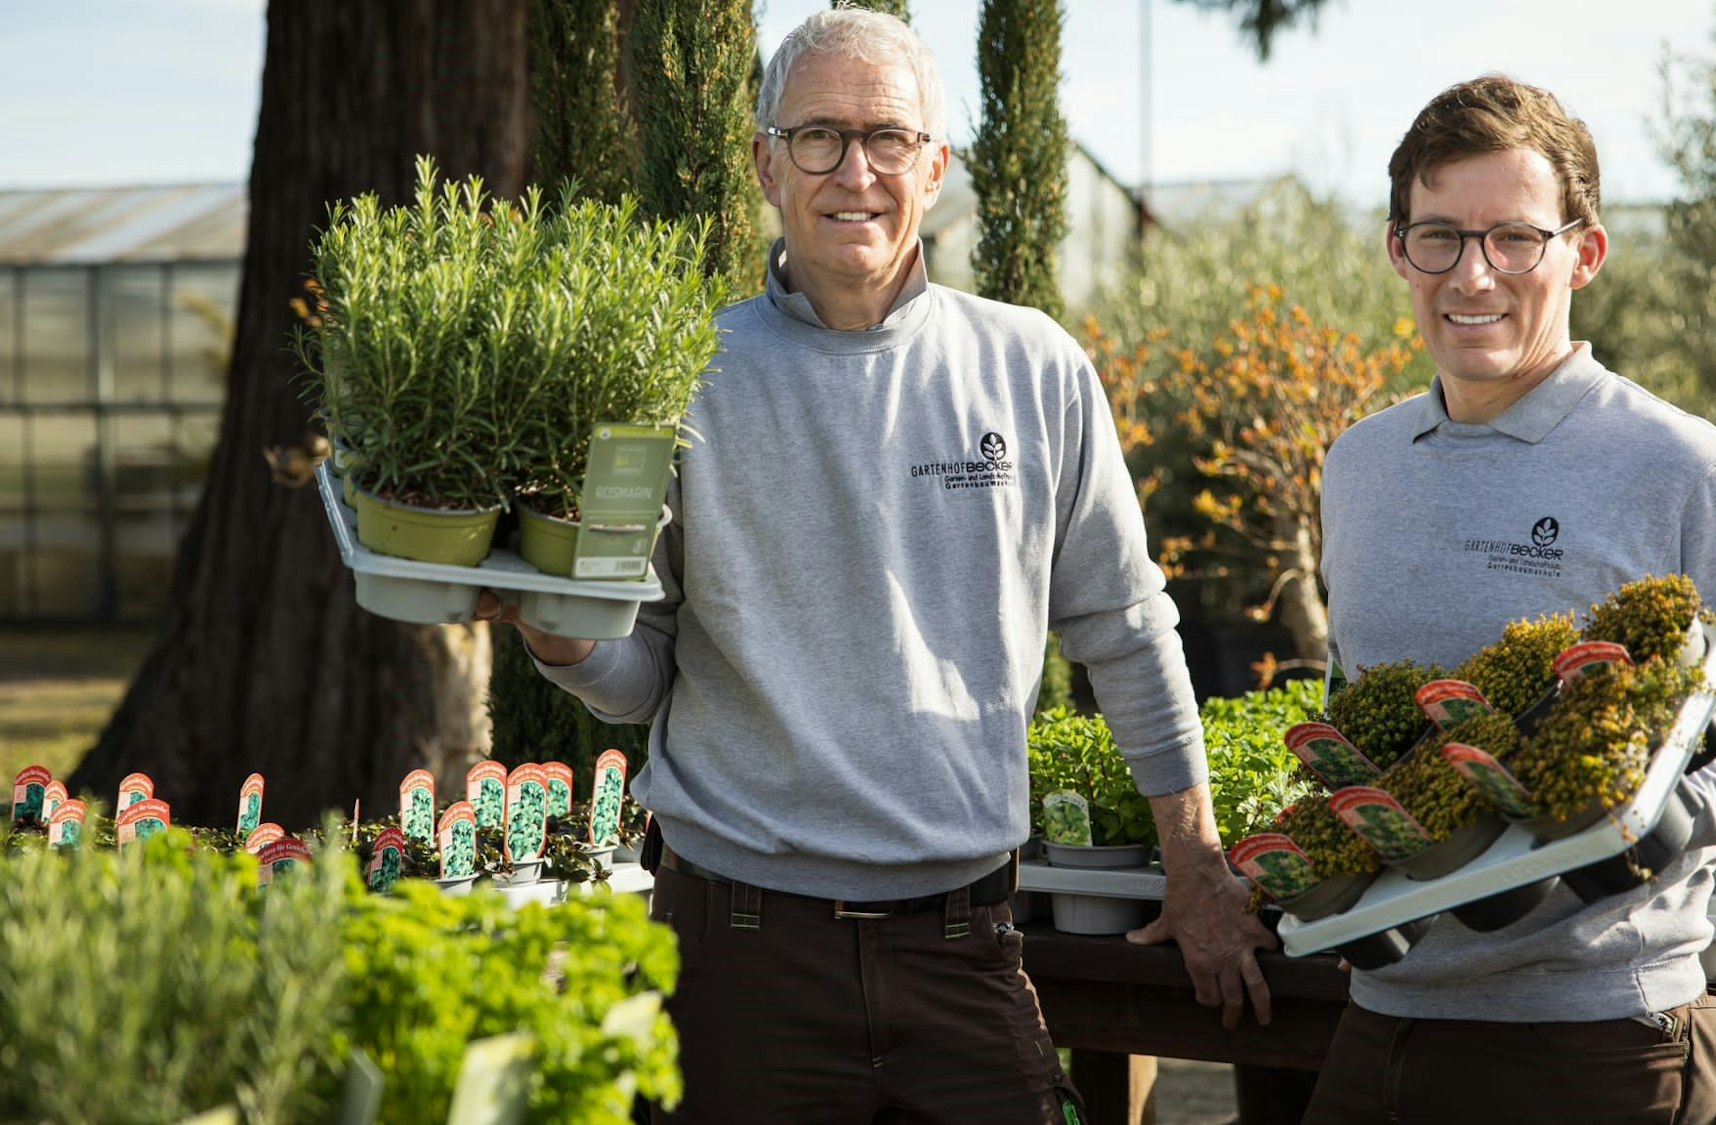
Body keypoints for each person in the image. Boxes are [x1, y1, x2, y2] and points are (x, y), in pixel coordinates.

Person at [479, 9, 1274, 1123]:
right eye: (817, 137)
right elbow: (641, 675)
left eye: (887, 138)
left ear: (936, 166)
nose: (855, 170)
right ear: (764, 163)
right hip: (737, 956)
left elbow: (1126, 629)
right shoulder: (676, 380)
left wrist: (1192, 866)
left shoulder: (1030, 368)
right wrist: (559, 637)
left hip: (966, 950)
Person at [1305, 76, 1716, 1125]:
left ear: (1581, 254)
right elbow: (1361, 700)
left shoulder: (1685, 467)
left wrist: (1665, 821)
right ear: (1395, 249)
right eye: (1439, 237)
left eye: (1513, 238)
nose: (1472, 275)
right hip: (1380, 1016)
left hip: (1597, 1038)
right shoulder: (1356, 466)